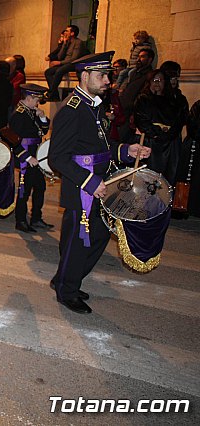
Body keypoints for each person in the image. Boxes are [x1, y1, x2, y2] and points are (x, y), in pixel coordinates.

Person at [48, 52, 151, 314]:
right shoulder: (72, 109)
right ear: (85, 76)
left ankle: (66, 279)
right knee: (78, 240)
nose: (107, 80)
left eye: (108, 76)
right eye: (102, 75)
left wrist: (127, 150)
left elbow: (102, 147)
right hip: (82, 187)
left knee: (99, 236)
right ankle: (66, 290)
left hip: (101, 182)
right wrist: (89, 182)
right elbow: (57, 157)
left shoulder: (93, 106)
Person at [9, 84, 51, 233]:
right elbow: (11, 139)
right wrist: (26, 157)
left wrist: (42, 117)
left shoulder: (32, 111)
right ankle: (20, 220)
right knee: (24, 190)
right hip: (26, 156)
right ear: (29, 98)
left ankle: (36, 218)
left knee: (40, 187)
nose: (38, 103)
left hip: (36, 154)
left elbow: (43, 130)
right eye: (37, 99)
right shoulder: (19, 114)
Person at [133, 69, 186, 185]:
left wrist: (169, 134)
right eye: (154, 80)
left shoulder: (173, 100)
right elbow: (141, 119)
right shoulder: (143, 99)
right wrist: (156, 133)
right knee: (148, 177)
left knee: (167, 177)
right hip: (151, 141)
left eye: (160, 80)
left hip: (170, 144)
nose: (157, 83)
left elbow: (179, 119)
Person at [44, 25, 86, 101]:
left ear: (72, 33)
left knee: (59, 71)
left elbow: (74, 58)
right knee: (48, 72)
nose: (65, 32)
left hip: (73, 64)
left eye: (67, 31)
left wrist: (59, 63)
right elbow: (60, 56)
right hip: (65, 63)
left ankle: (50, 93)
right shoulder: (67, 42)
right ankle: (55, 94)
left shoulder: (78, 42)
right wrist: (64, 44)